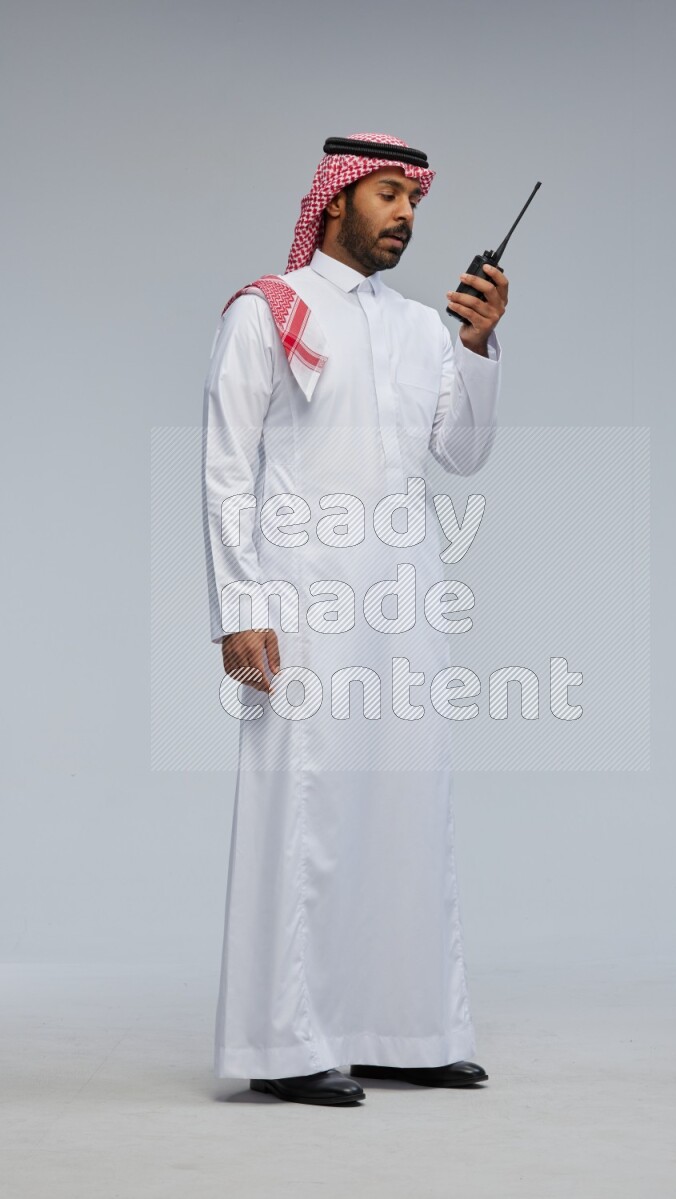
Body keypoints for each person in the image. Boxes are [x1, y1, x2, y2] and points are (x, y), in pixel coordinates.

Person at [201, 132, 508, 1107]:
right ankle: (284, 1041)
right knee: (305, 811)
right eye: (386, 195)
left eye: (412, 200)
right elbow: (223, 465)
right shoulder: (270, 310)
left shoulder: (423, 326)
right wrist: (239, 606)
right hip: (300, 600)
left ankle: (406, 1028)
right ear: (334, 201)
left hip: (403, 605)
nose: (404, 215)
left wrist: (474, 345)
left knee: (406, 810)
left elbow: (460, 453)